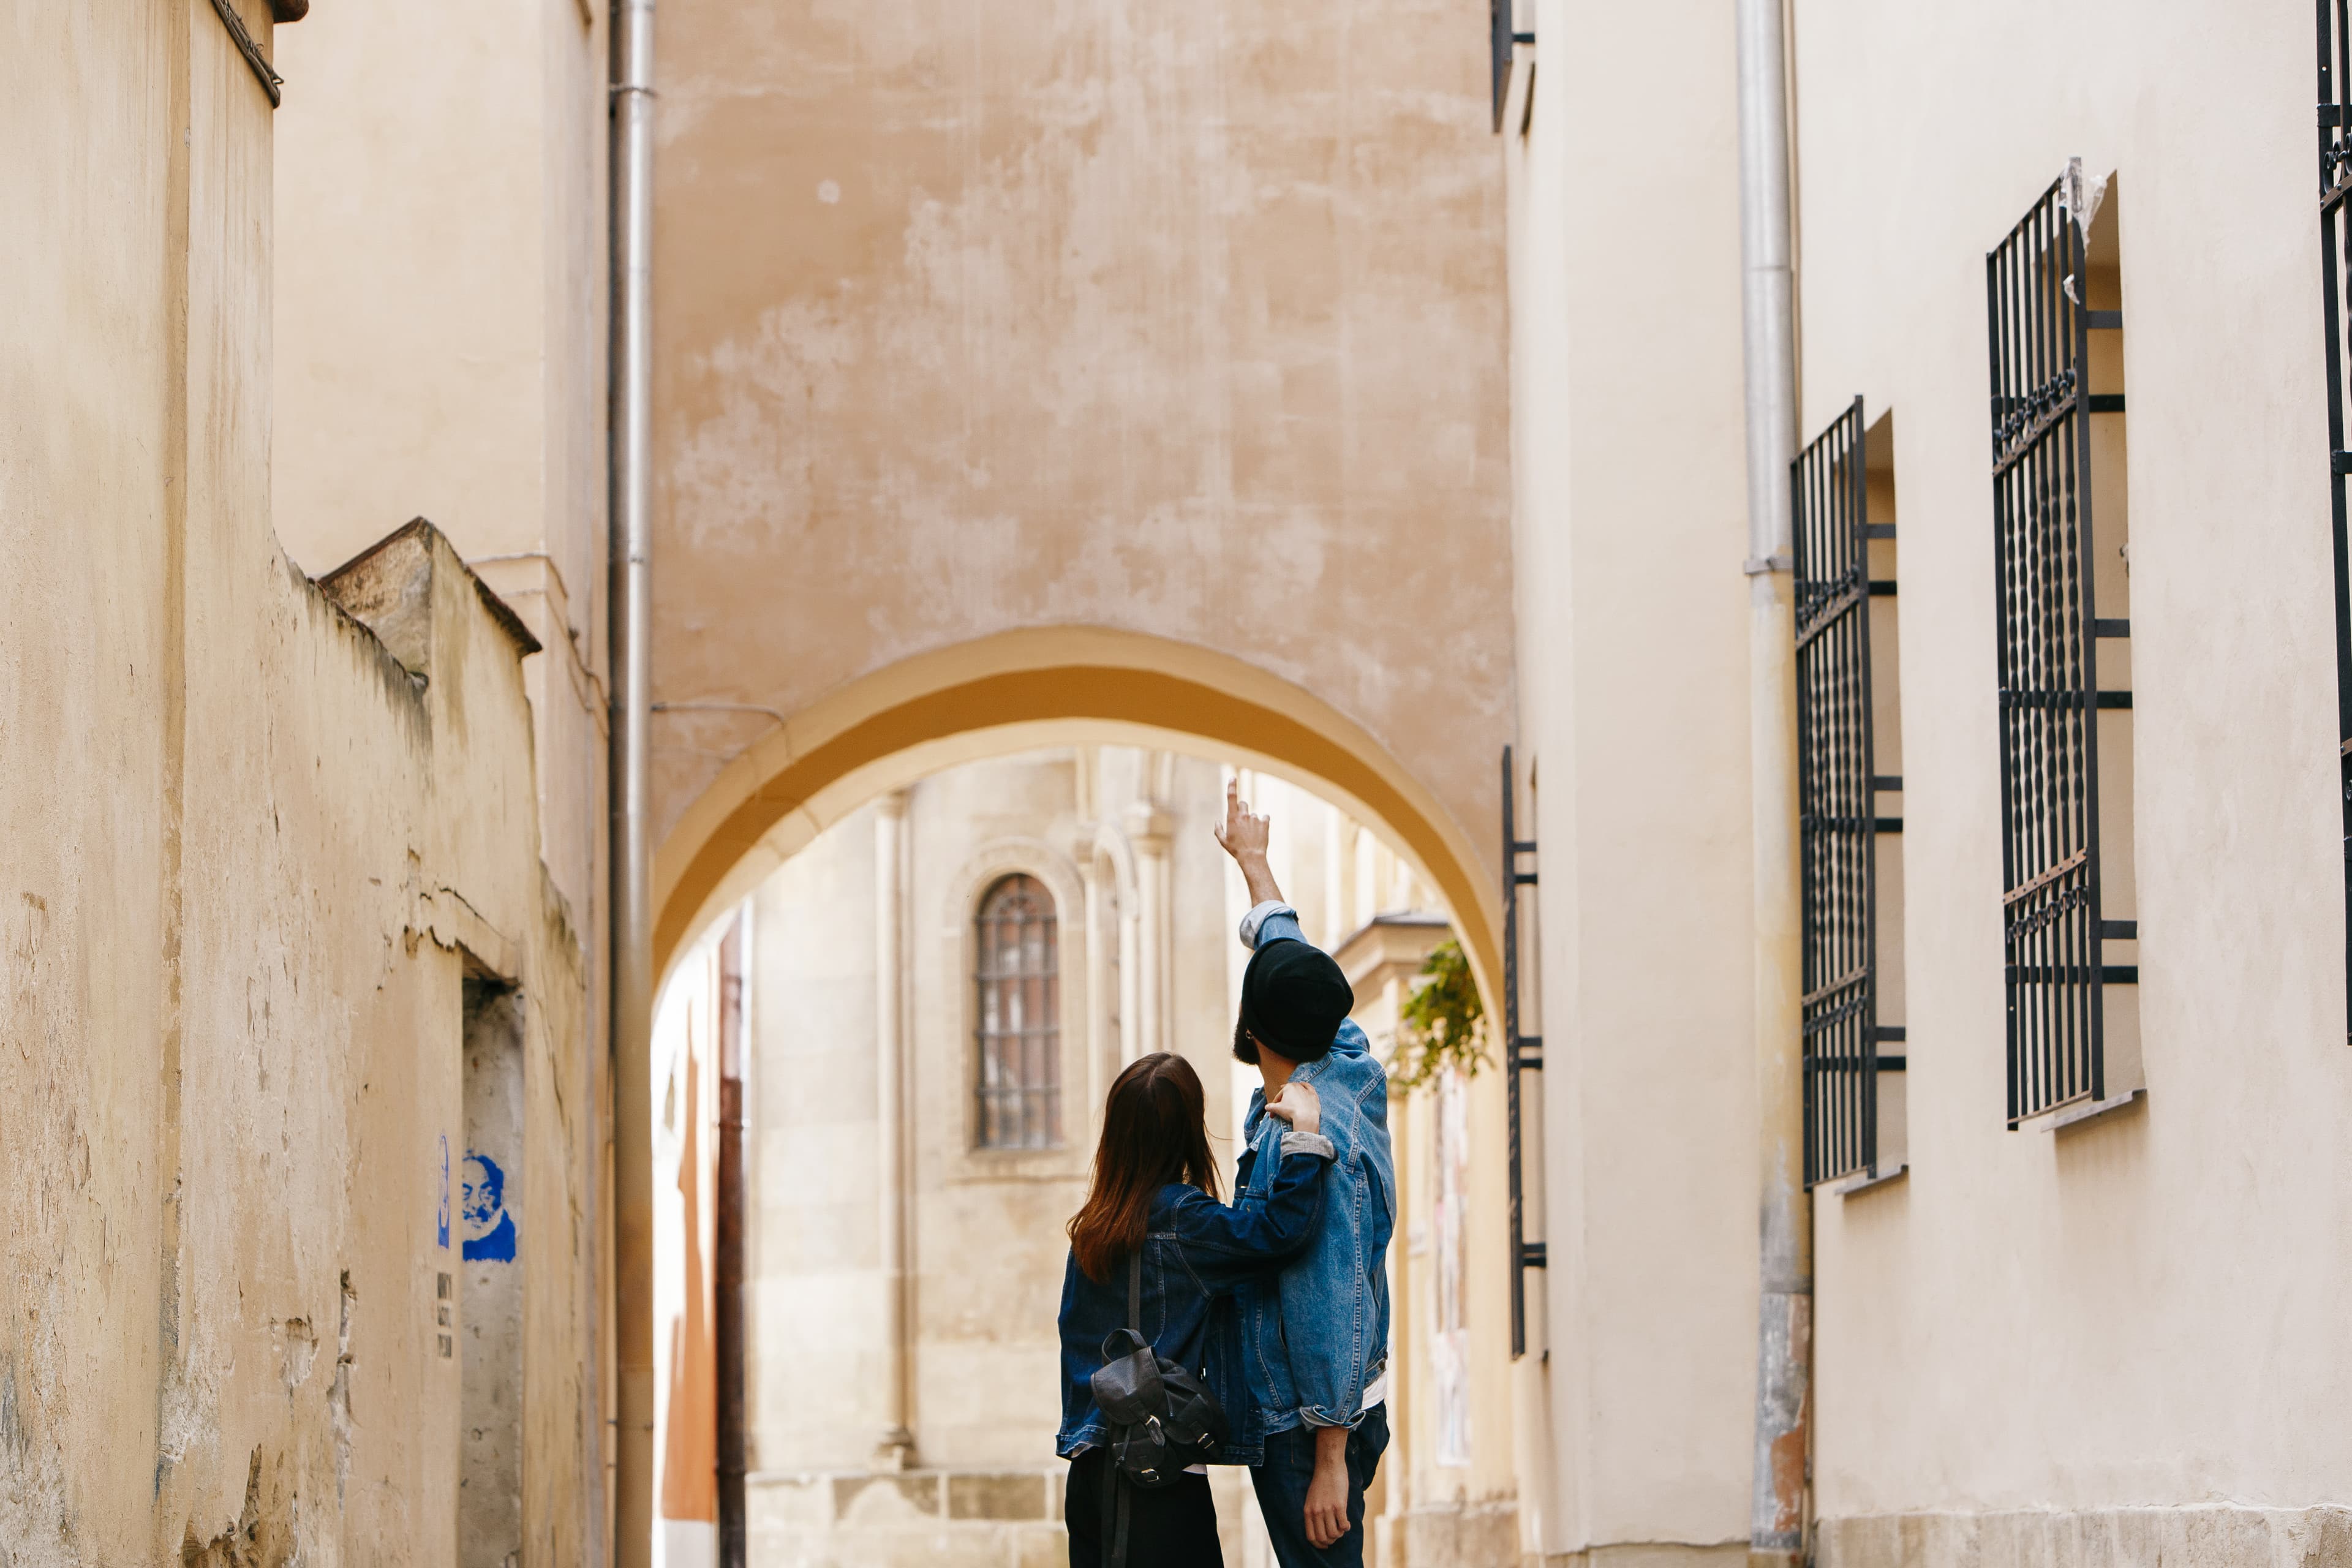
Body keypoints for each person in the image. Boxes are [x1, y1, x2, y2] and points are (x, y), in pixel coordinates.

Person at [1057, 1051, 1335, 1568]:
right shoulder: (1186, 1219)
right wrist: (1306, 1135)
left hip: (1088, 1476)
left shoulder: (1089, 1231)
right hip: (1156, 1479)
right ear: (1187, 1131)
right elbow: (1280, 1234)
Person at [1215, 782, 1396, 1567]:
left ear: (1253, 1029)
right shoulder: (1346, 1058)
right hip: (1337, 1406)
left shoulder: (1309, 1138)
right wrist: (1255, 867)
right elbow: (1295, 966)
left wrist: (1330, 1457)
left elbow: (1329, 1289)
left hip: (1310, 1420)